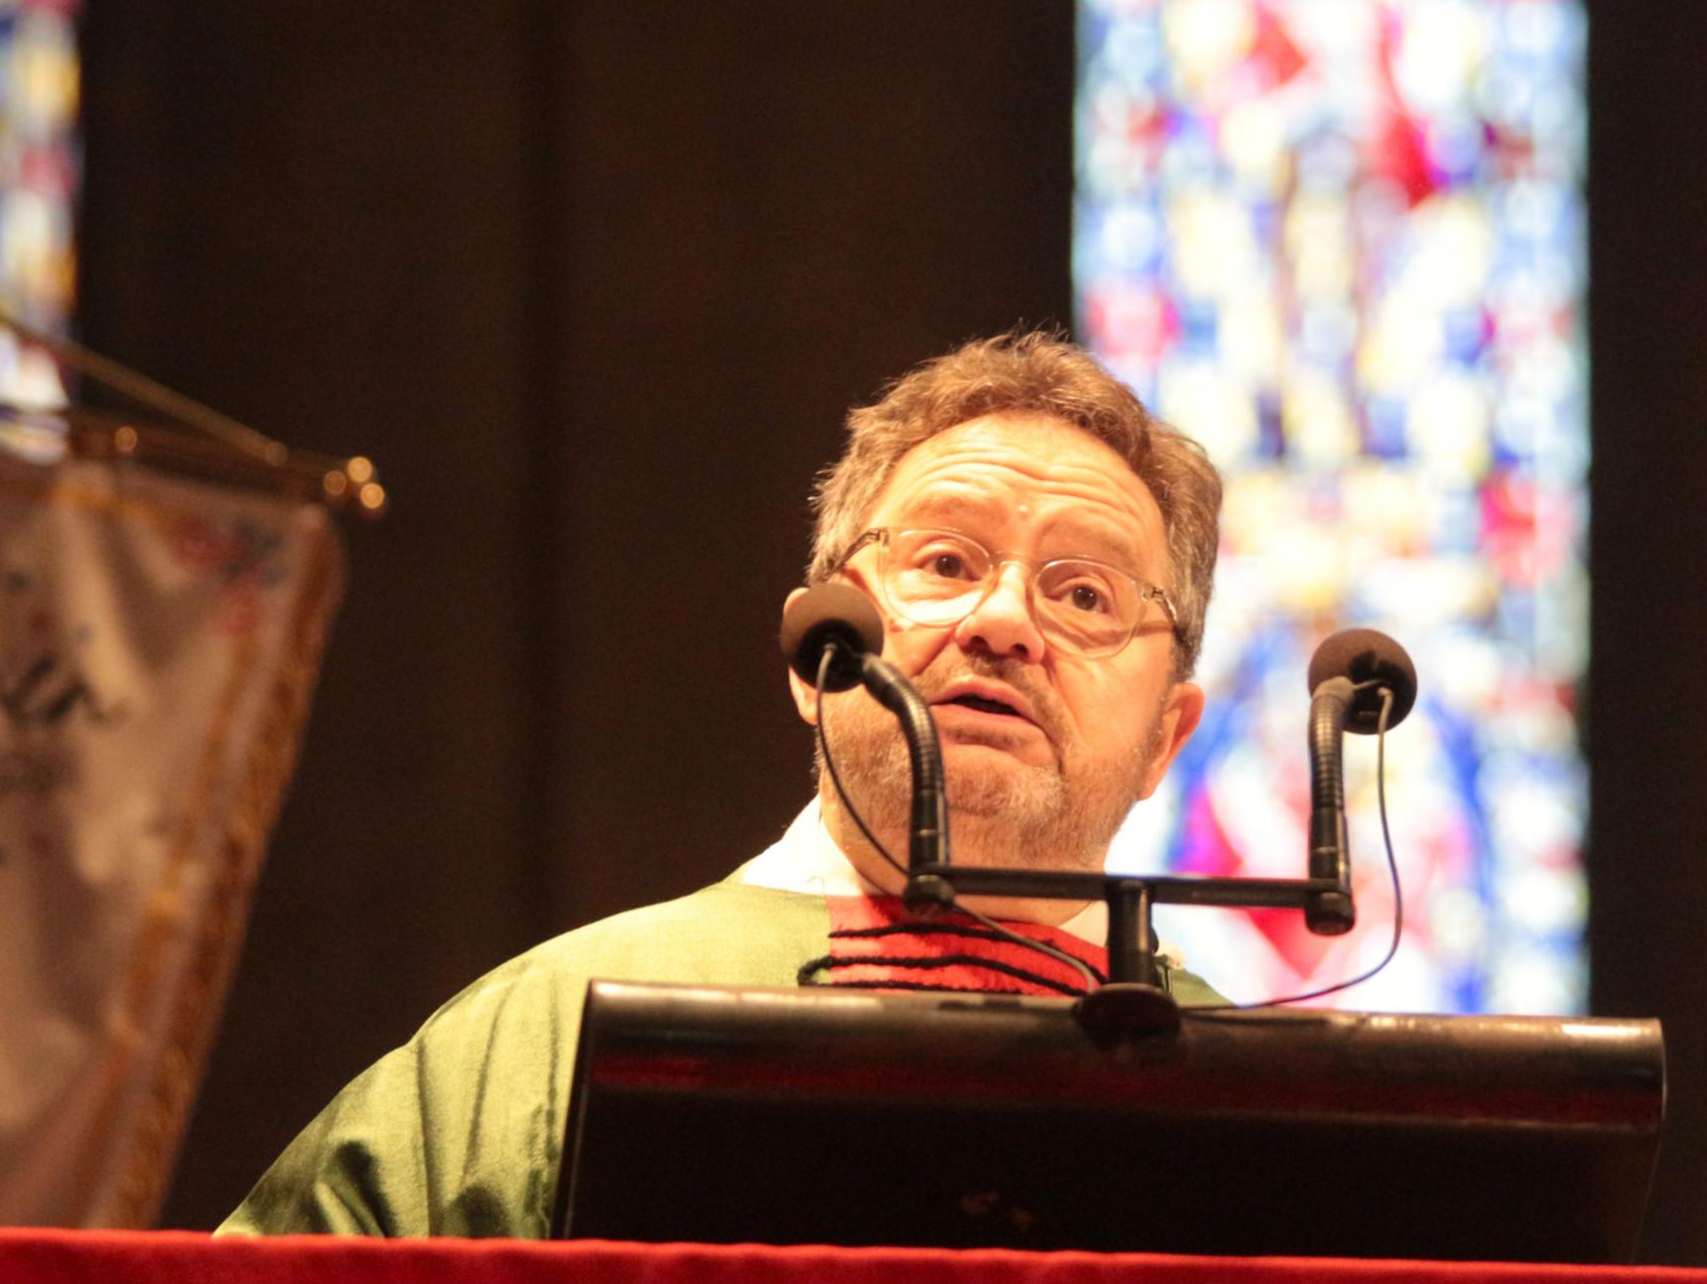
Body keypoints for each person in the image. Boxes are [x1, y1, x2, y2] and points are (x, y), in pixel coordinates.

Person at [218, 329, 1226, 1237]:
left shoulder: (1257, 1094)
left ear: (1162, 741)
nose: (1000, 620)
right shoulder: (555, 1033)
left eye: (1084, 592)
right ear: (813, 656)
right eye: (943, 560)